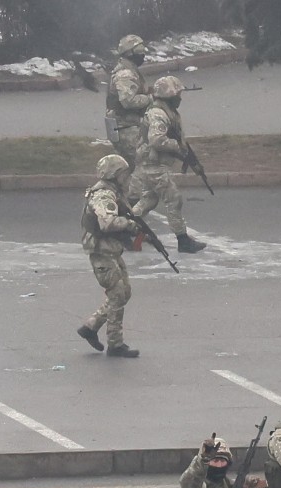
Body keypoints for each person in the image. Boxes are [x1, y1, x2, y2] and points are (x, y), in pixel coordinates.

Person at [131, 75, 207, 255]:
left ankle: (123, 227)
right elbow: (157, 140)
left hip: (150, 164)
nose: (180, 98)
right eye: (177, 95)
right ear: (169, 96)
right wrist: (177, 146)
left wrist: (189, 158)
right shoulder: (159, 114)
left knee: (149, 200)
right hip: (154, 165)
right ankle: (183, 241)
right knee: (173, 199)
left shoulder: (165, 111)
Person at [78, 154, 141, 359]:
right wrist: (130, 225)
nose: (126, 178)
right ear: (115, 174)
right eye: (123, 174)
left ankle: (91, 326)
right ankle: (115, 344)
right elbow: (107, 223)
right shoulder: (103, 195)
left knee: (124, 292)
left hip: (110, 250)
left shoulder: (113, 192)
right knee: (117, 295)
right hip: (102, 252)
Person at [105, 33, 153, 163]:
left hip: (127, 126)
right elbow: (128, 101)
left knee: (131, 166)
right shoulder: (125, 74)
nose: (142, 54)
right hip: (125, 128)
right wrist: (150, 98)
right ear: (129, 53)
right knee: (142, 164)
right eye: (139, 51)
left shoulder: (130, 70)